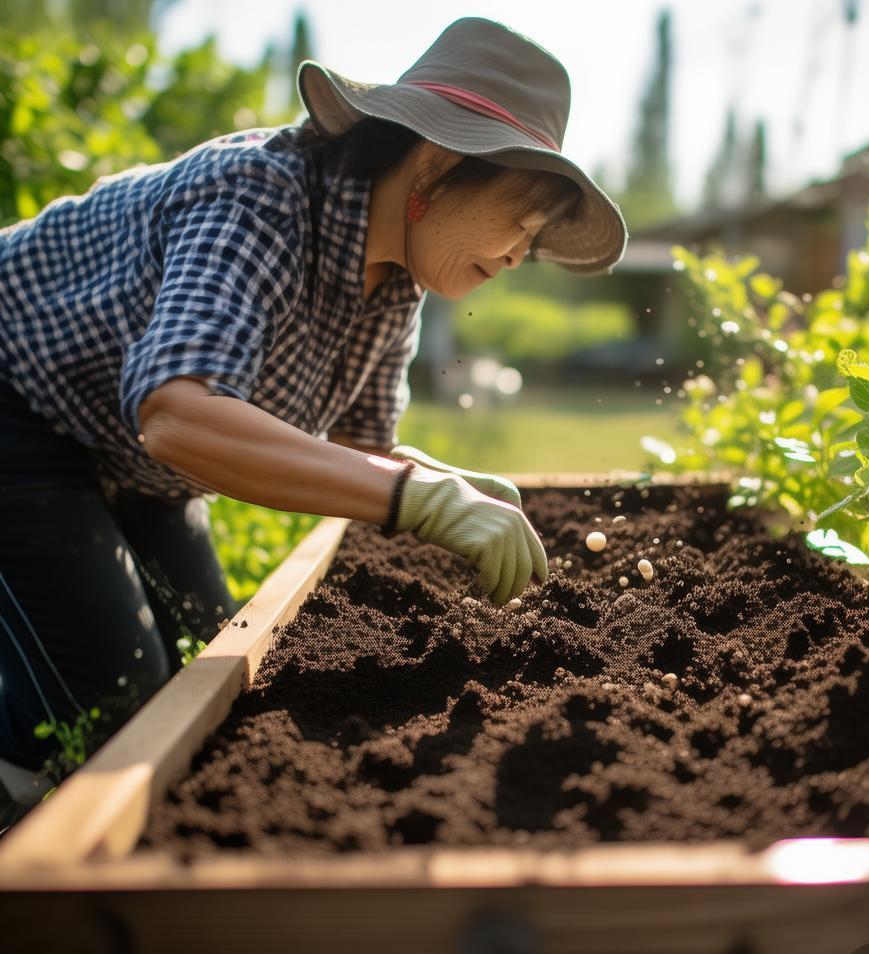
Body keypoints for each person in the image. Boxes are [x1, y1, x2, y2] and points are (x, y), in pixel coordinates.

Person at [0, 16, 628, 804]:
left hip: (118, 446)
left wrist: (458, 485)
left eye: (533, 240)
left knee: (205, 666)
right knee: (106, 699)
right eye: (517, 221)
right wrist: (417, 498)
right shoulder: (258, 195)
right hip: (19, 408)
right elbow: (177, 415)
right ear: (434, 166)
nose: (515, 257)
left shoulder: (401, 273)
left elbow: (357, 444)